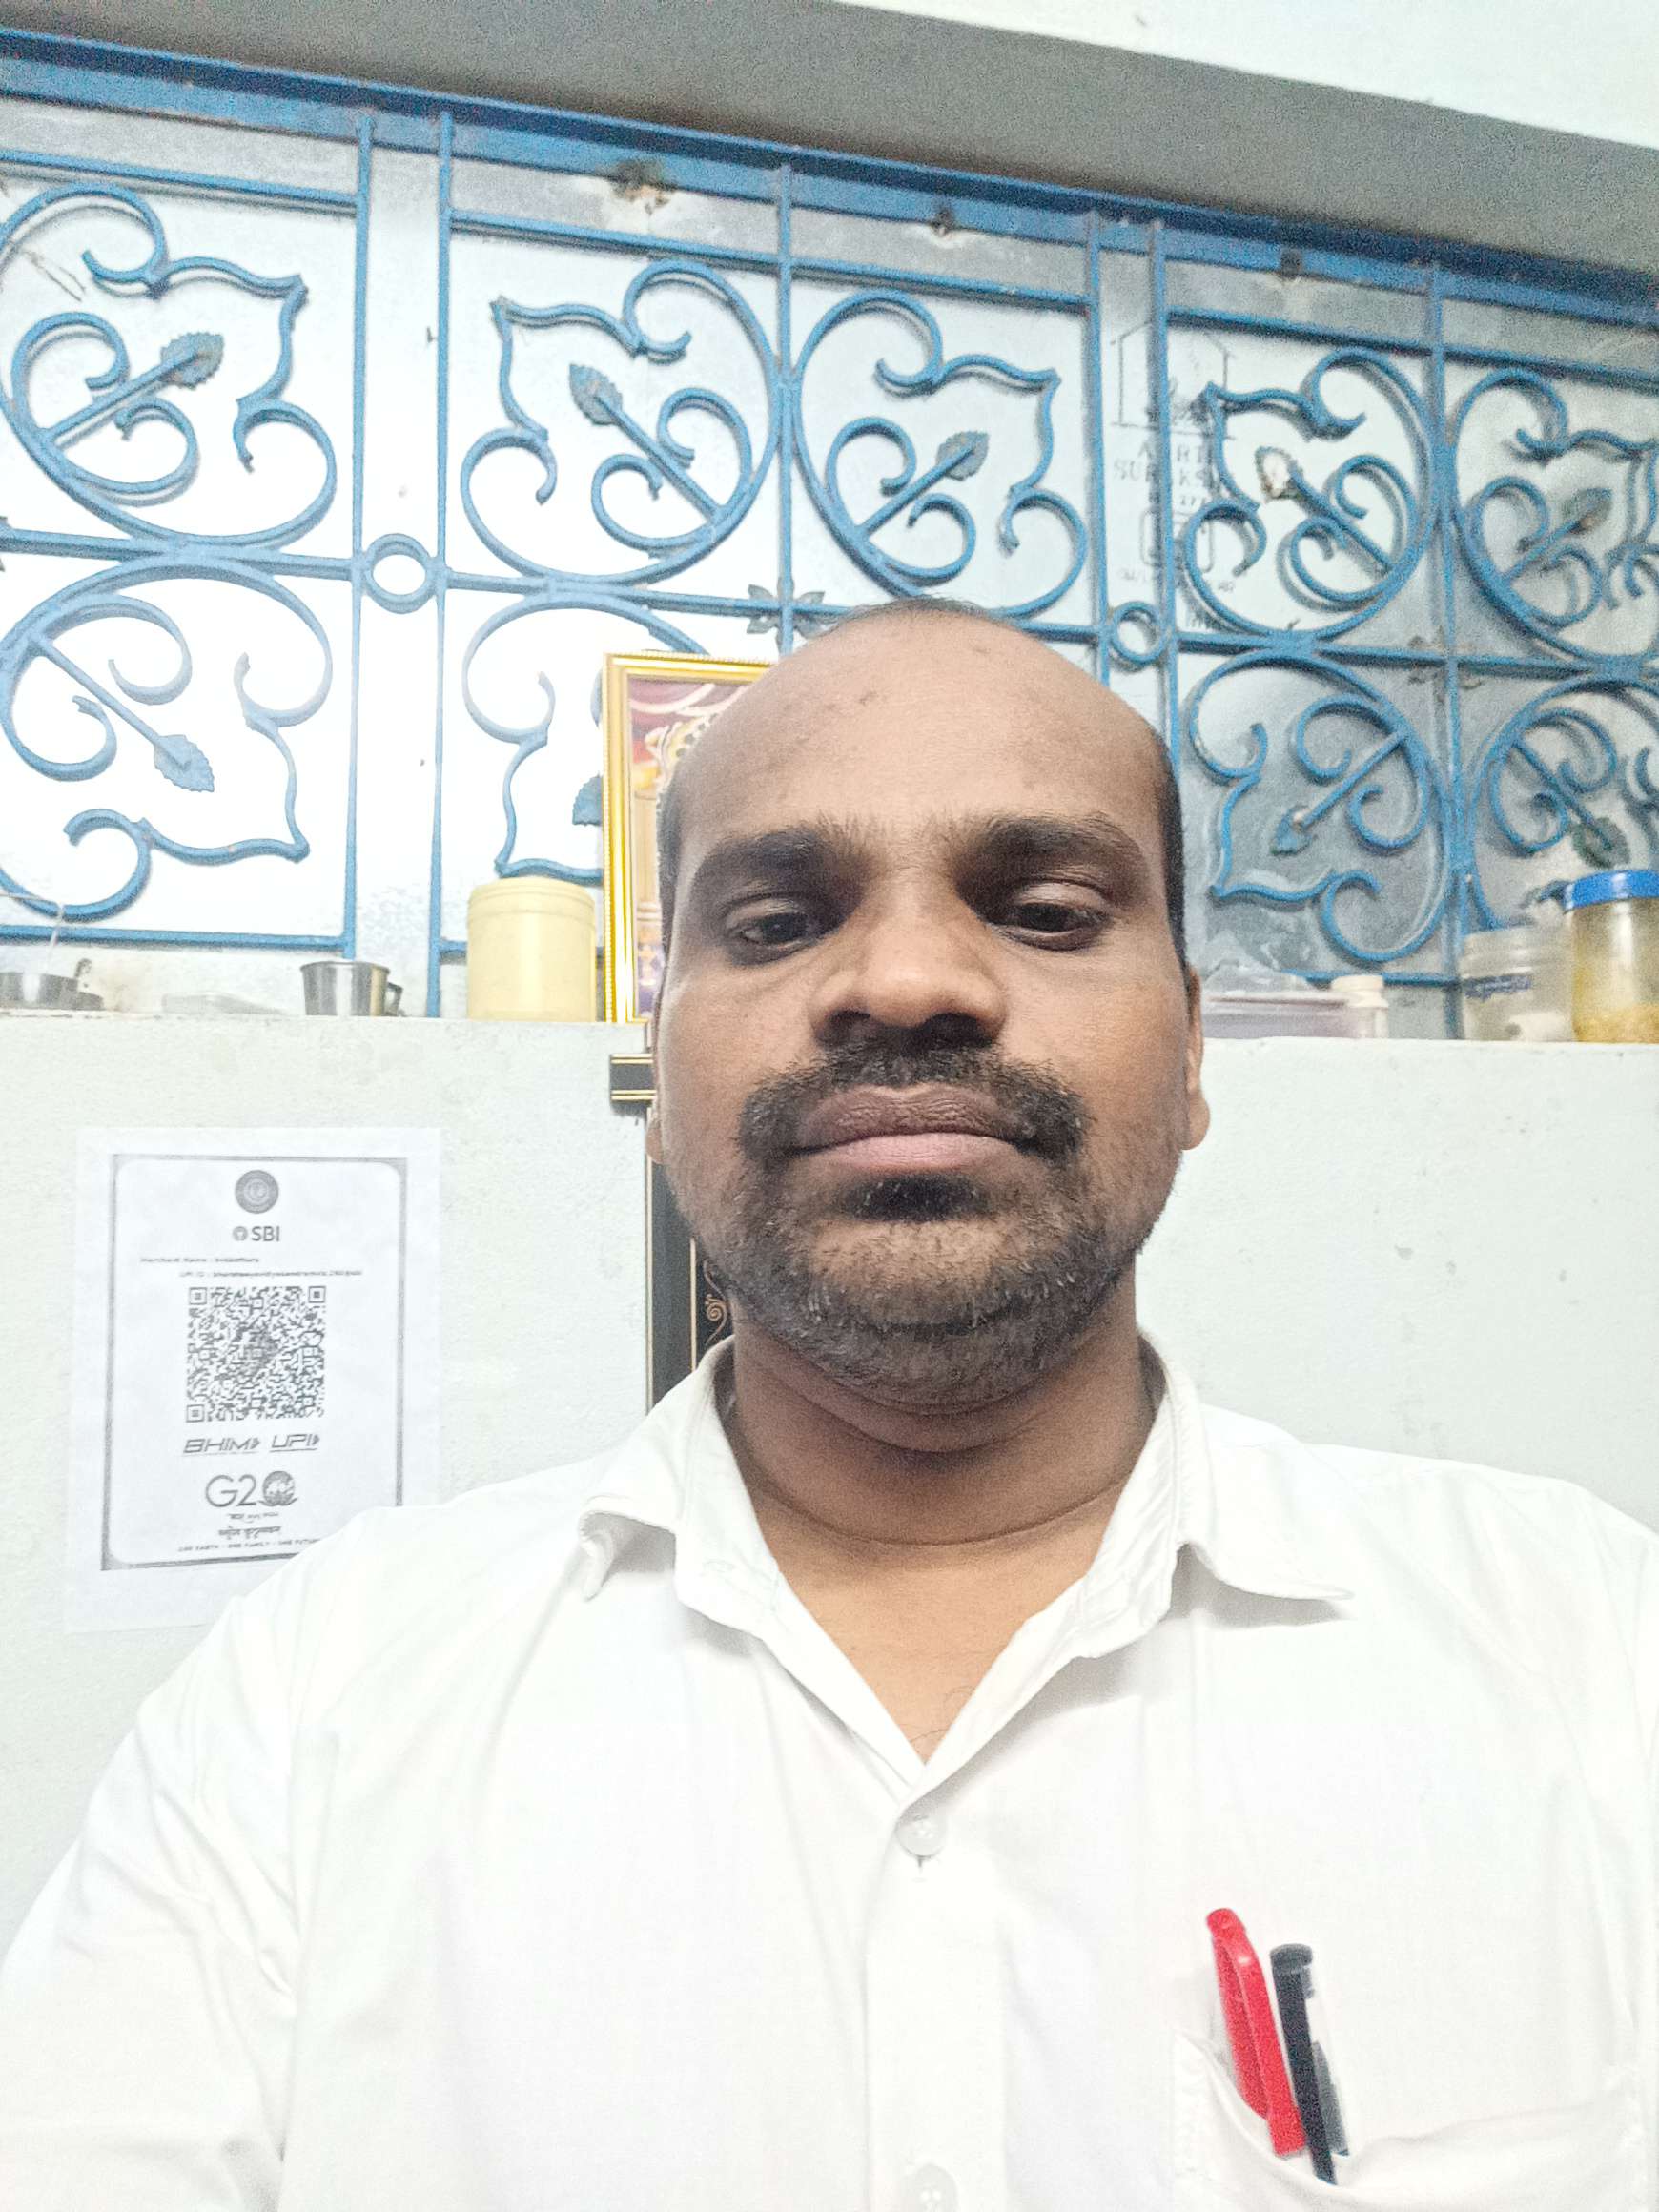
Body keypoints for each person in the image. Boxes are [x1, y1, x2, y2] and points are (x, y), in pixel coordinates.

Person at [1, 602, 1654, 2212]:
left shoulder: (1584, 1647)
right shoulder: (312, 1705)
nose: (909, 980)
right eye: (780, 922)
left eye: (1048, 910)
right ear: (657, 1065)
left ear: (1198, 1051)